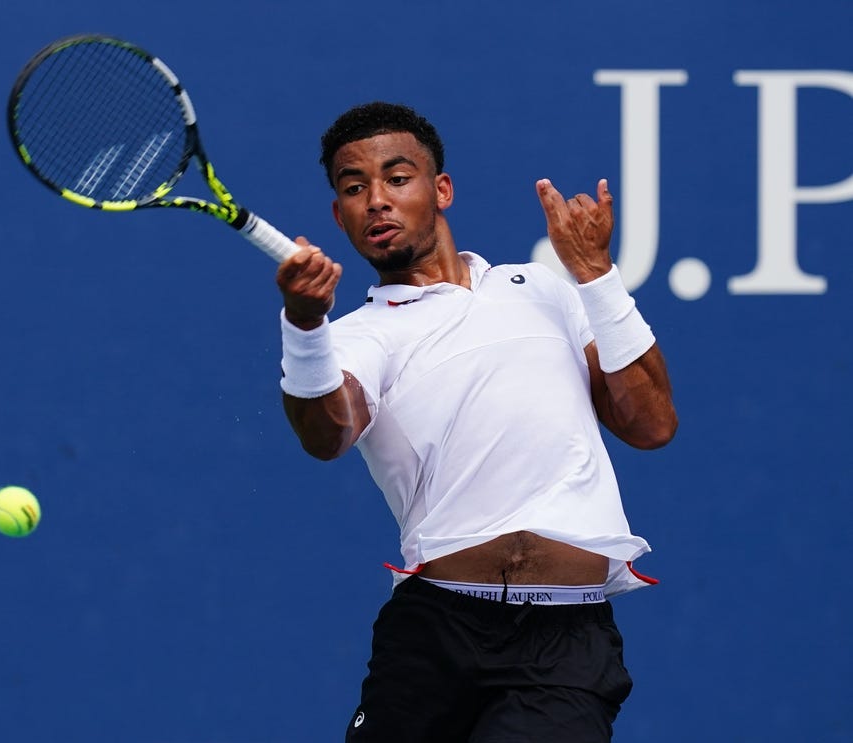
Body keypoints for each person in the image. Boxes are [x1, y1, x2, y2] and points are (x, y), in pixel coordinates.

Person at [274, 102, 677, 743]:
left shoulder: (546, 290)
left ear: (442, 189)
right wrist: (304, 325)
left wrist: (597, 277)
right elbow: (327, 435)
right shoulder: (352, 340)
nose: (376, 200)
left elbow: (651, 424)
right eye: (354, 189)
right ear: (339, 215)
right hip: (434, 635)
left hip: (564, 647)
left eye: (396, 178)